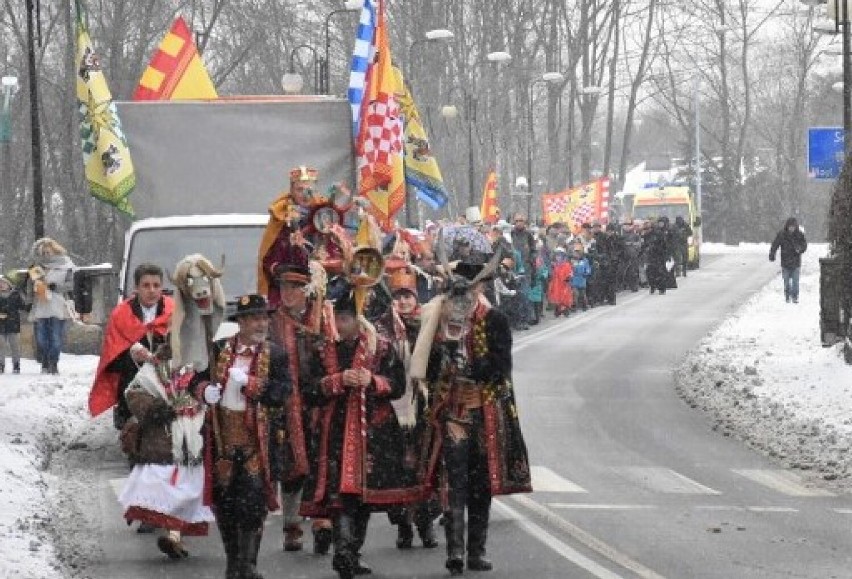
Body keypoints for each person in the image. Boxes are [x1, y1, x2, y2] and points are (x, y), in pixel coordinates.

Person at [412, 260, 532, 575]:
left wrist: (474, 373)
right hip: (451, 413)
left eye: (471, 288)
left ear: (480, 288)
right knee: (454, 481)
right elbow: (424, 365)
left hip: (485, 412)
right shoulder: (436, 321)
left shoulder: (495, 320)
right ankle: (454, 550)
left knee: (481, 484)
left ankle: (476, 551)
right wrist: (446, 361)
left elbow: (501, 365)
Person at [301, 279, 415, 579]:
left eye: (346, 318)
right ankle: (344, 553)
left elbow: (398, 386)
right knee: (341, 496)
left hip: (374, 434)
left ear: (358, 320)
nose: (340, 324)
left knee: (364, 497)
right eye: (337, 318)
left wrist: (372, 381)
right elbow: (308, 390)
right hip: (334, 433)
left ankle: (351, 551)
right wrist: (336, 382)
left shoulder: (382, 348)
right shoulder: (322, 350)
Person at [194, 294, 291, 579]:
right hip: (223, 438)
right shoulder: (218, 349)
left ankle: (248, 565)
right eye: (255, 318)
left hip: (256, 441)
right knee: (225, 504)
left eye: (264, 318)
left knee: (252, 503)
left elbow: (283, 392)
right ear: (242, 322)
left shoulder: (276, 354)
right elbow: (195, 381)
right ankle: (233, 561)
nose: (261, 323)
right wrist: (204, 392)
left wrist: (252, 384)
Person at [266, 245, 332, 554]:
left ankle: (322, 522)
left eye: (294, 287)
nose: (287, 293)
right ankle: (291, 525)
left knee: (323, 461)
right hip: (285, 403)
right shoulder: (271, 321)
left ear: (307, 288)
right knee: (291, 467)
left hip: (320, 400)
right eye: (283, 287)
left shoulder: (325, 314)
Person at [119, 348, 214, 560]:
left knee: (187, 487)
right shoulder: (155, 366)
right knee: (164, 485)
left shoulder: (202, 362)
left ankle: (174, 535)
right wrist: (157, 409)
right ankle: (172, 534)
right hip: (162, 437)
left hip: (194, 436)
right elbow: (134, 393)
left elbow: (215, 391)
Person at [375, 266, 439, 551]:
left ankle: (425, 524)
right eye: (398, 296)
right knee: (398, 470)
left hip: (425, 407)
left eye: (408, 297)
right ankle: (402, 525)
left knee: (425, 469)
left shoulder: (430, 324)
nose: (402, 302)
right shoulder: (380, 329)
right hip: (393, 409)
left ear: (416, 299)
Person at [89, 264, 174, 434]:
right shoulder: (120, 315)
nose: (151, 290)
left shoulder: (175, 312)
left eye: (156, 285)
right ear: (136, 288)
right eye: (146, 285)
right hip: (132, 390)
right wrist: (132, 356)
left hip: (169, 388)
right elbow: (111, 361)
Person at [27, 237, 75, 374]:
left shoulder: (66, 265)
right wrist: (32, 296)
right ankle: (45, 361)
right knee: (41, 339)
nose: (46, 255)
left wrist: (56, 287)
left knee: (55, 338)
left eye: (49, 252)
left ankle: (53, 363)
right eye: (44, 253)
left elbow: (70, 285)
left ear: (55, 251)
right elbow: (30, 286)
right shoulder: (36, 267)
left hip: (58, 305)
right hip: (40, 305)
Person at [769, 217, 808, 304]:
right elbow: (775, 244)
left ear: (796, 227)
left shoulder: (800, 235)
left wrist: (800, 249)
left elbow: (804, 245)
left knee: (795, 282)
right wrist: (772, 254)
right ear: (787, 226)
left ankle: (795, 297)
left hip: (796, 262)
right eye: (790, 226)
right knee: (786, 282)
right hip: (785, 262)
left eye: (793, 227)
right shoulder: (782, 234)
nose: (791, 228)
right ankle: (787, 296)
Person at [510, 213, 536, 326]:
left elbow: (534, 251)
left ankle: (526, 318)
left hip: (526, 269)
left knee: (525, 294)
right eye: (517, 221)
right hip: (513, 269)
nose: (519, 223)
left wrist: (530, 261)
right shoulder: (510, 234)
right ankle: (516, 319)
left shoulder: (528, 235)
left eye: (521, 220)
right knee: (515, 295)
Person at [0, 275, 25, 374]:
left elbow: (22, 306)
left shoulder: (15, 294)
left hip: (13, 323)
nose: (1, 285)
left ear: (8, 284)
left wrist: (22, 293)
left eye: (3, 283)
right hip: (0, 325)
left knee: (14, 346)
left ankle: (16, 364)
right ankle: (1, 365)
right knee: (1, 346)